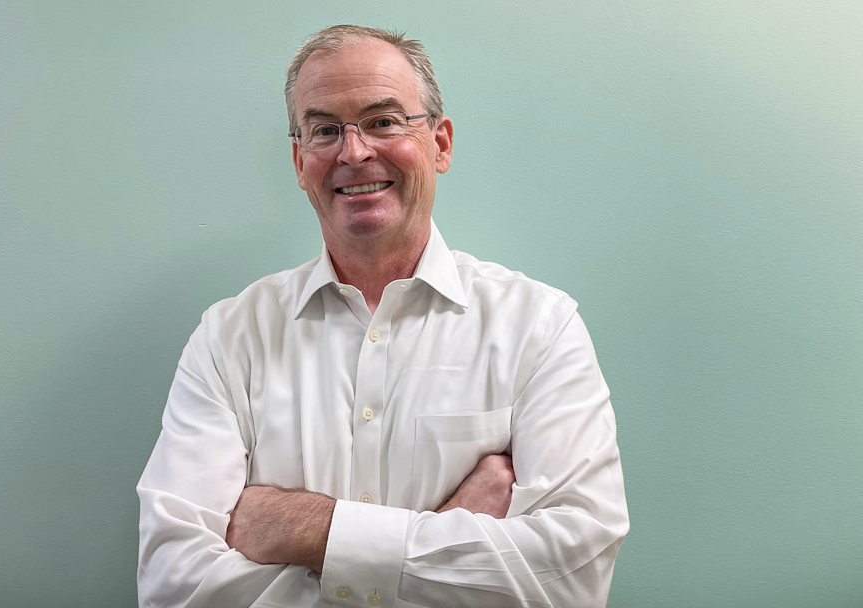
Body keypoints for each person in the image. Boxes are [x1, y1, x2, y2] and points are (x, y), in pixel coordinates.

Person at [137, 25, 629, 608]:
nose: (354, 151)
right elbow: (175, 586)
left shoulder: (540, 328)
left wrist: (305, 529)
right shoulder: (228, 338)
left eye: (384, 121)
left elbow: (573, 583)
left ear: (440, 144)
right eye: (325, 130)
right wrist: (450, 530)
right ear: (300, 161)